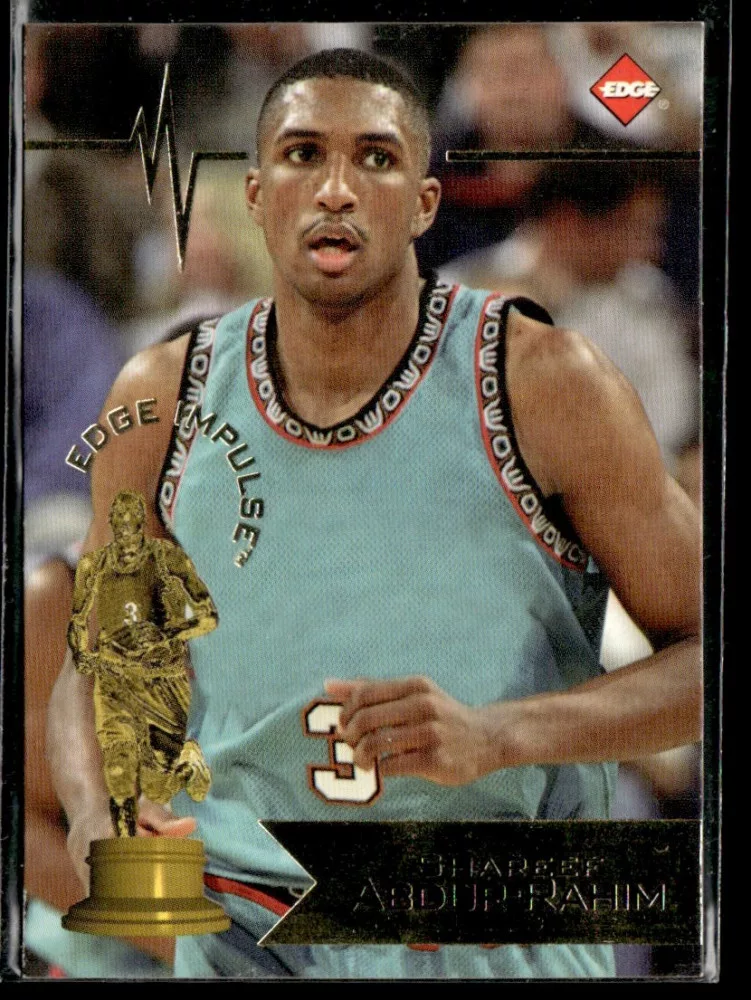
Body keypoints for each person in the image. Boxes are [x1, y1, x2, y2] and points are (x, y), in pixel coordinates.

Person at [47, 49, 701, 979]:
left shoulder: (546, 382)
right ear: (257, 195)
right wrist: (92, 813)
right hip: (245, 919)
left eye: (376, 158)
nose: (336, 189)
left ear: (425, 204)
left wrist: (504, 734)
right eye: (303, 154)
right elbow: (101, 660)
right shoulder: (160, 397)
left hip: (489, 909)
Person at [67, 490, 218, 836]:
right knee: (118, 772)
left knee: (159, 787)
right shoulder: (92, 566)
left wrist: (172, 636)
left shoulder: (167, 558)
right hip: (115, 681)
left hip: (163, 681)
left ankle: (189, 764)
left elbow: (207, 616)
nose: (126, 531)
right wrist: (85, 654)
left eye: (133, 523)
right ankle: (124, 848)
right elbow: (78, 632)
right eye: (119, 523)